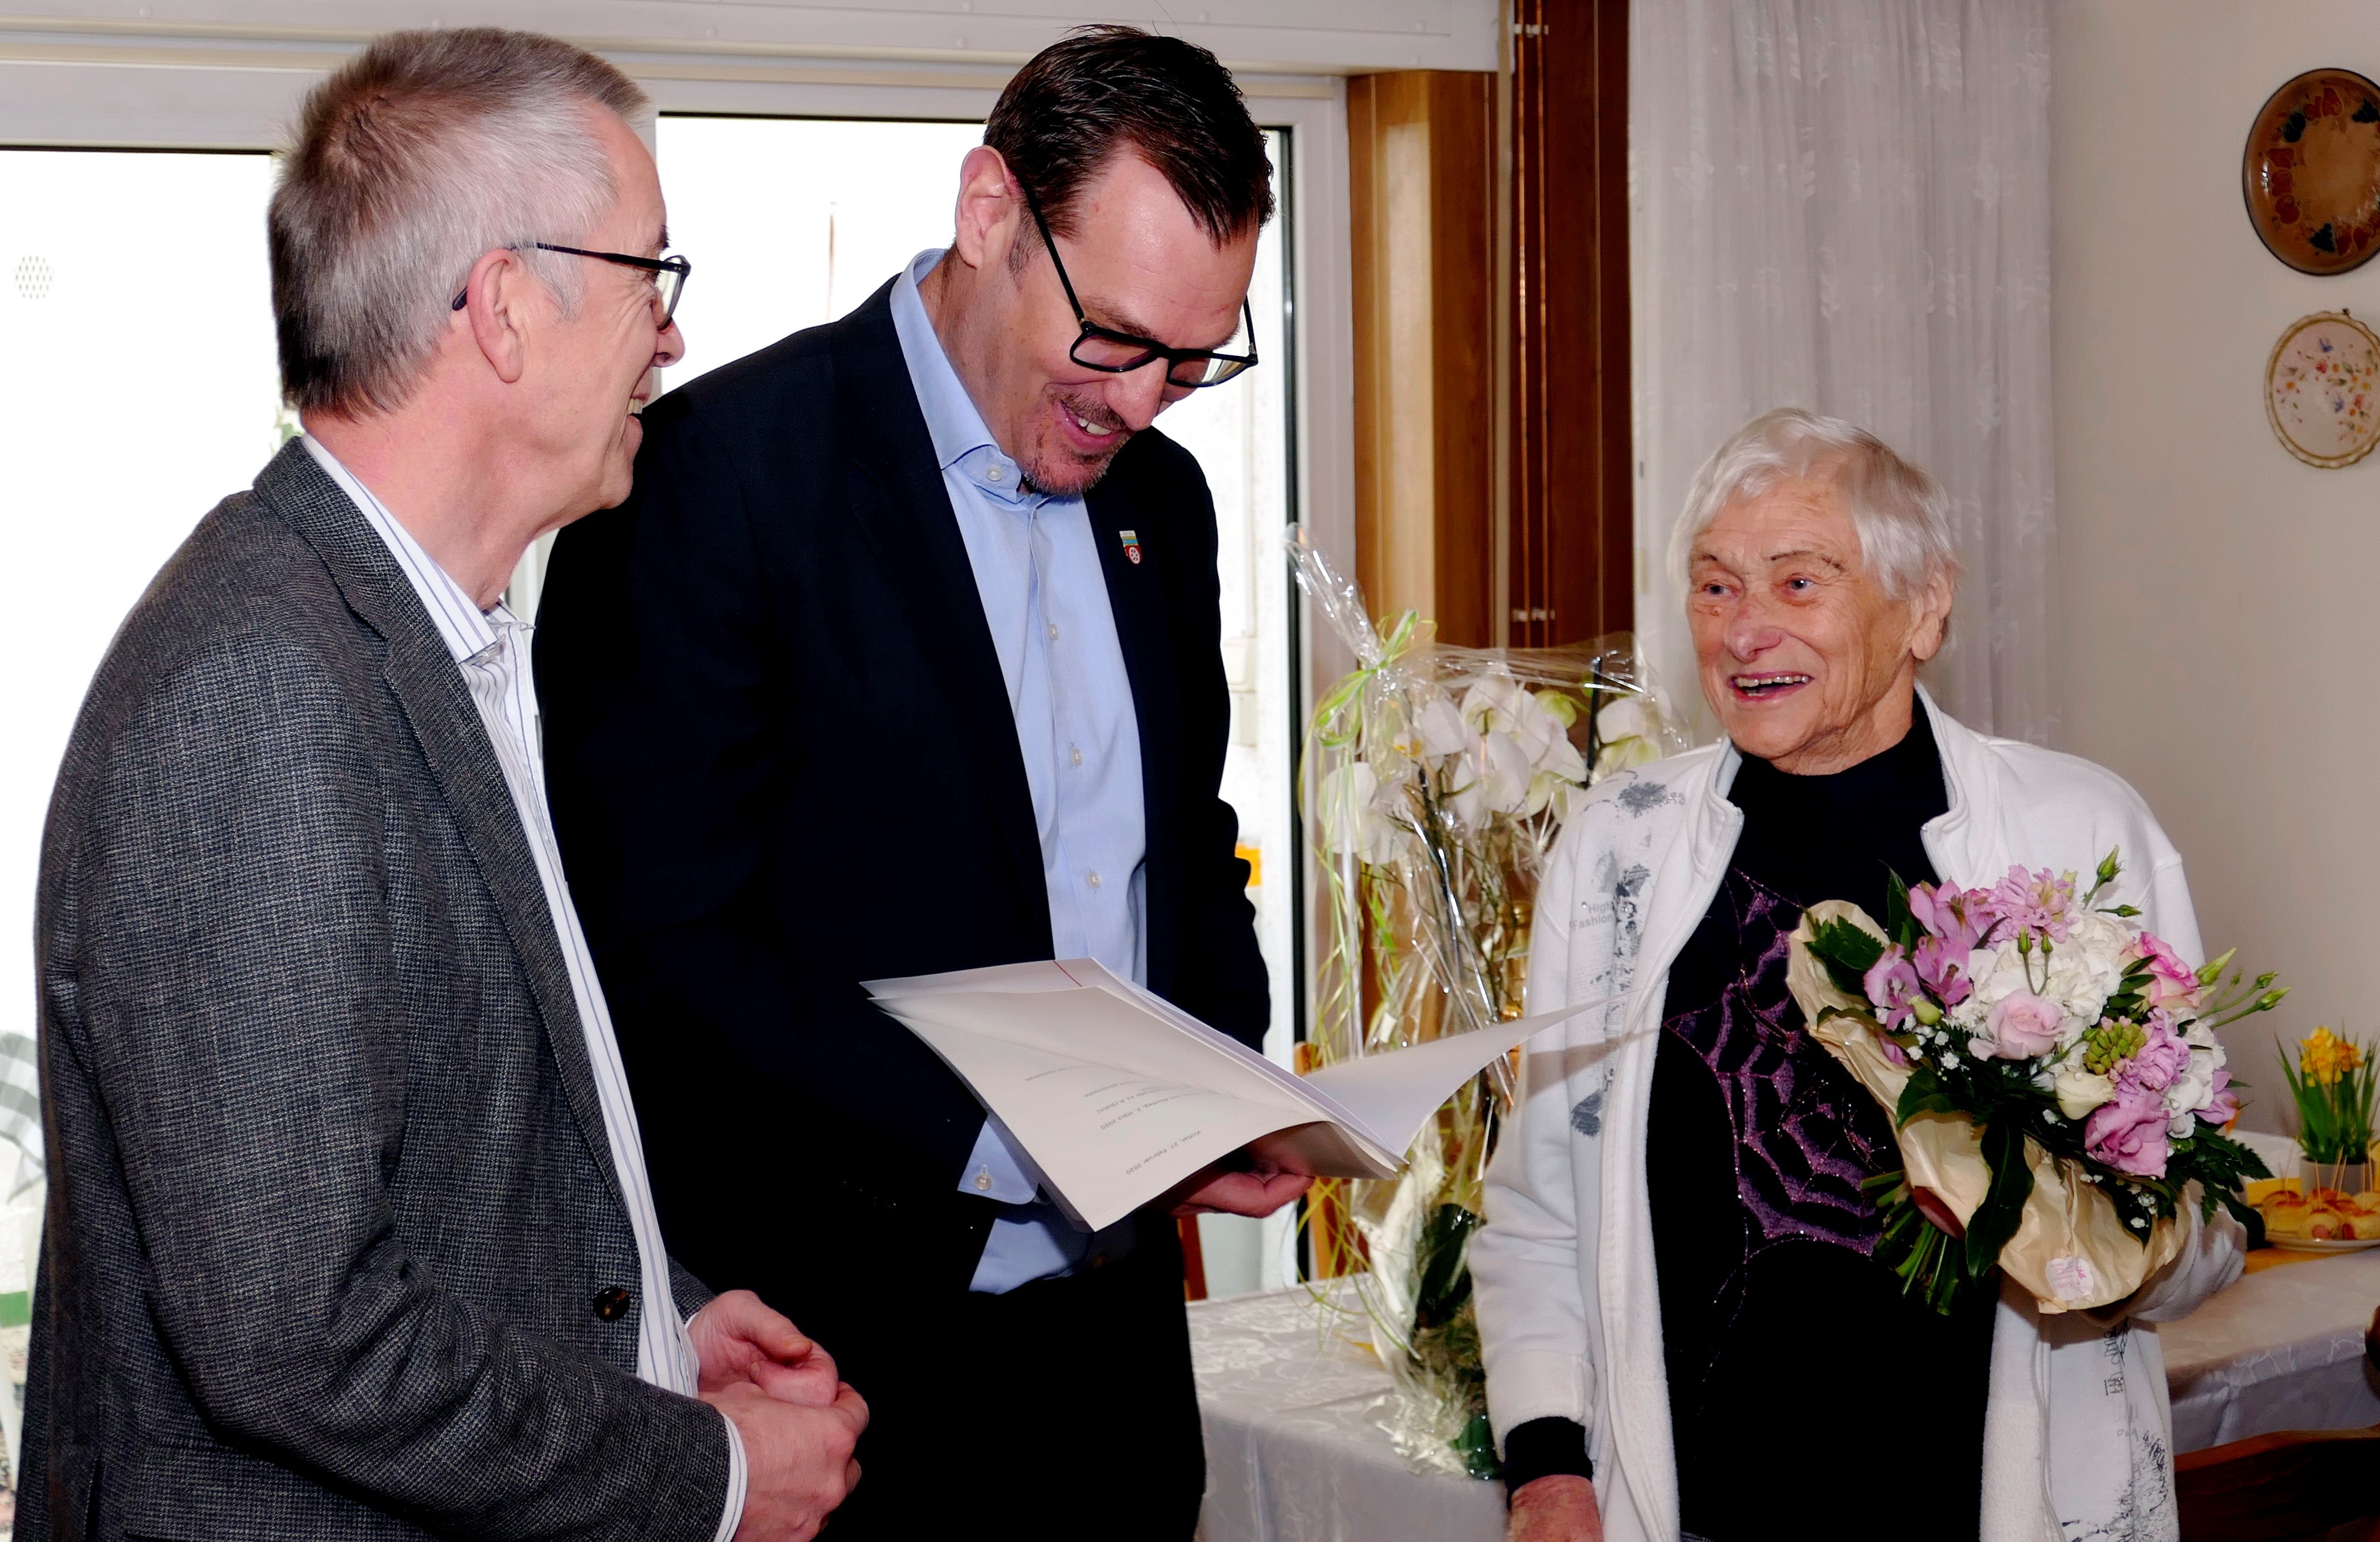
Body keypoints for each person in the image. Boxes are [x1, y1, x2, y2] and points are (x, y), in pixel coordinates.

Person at [22, 29, 866, 1540]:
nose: (670, 340)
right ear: (503, 311)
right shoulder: (261, 682)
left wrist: (653, 1333)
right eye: (649, 276)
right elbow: (301, 1332)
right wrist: (711, 1472)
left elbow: (453, 1154)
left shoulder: (419, 629)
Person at [531, 25, 1304, 1538]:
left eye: (1195, 357)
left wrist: (1221, 1077)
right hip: (834, 1371)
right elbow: (659, 950)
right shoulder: (713, 476)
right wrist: (1015, 1129)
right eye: (1116, 336)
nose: (1144, 400)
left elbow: (1182, 838)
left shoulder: (1168, 501)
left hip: (1115, 1376)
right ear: (988, 212)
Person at [1470, 408, 2246, 1542]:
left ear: (1923, 606)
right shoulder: (1615, 848)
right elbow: (1539, 1207)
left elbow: (2206, 1211)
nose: (1744, 631)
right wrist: (1546, 1471)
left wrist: (2112, 1252)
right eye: (1715, 587)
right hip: (1692, 1507)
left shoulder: (2073, 831)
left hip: (1992, 1505)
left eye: (1798, 582)